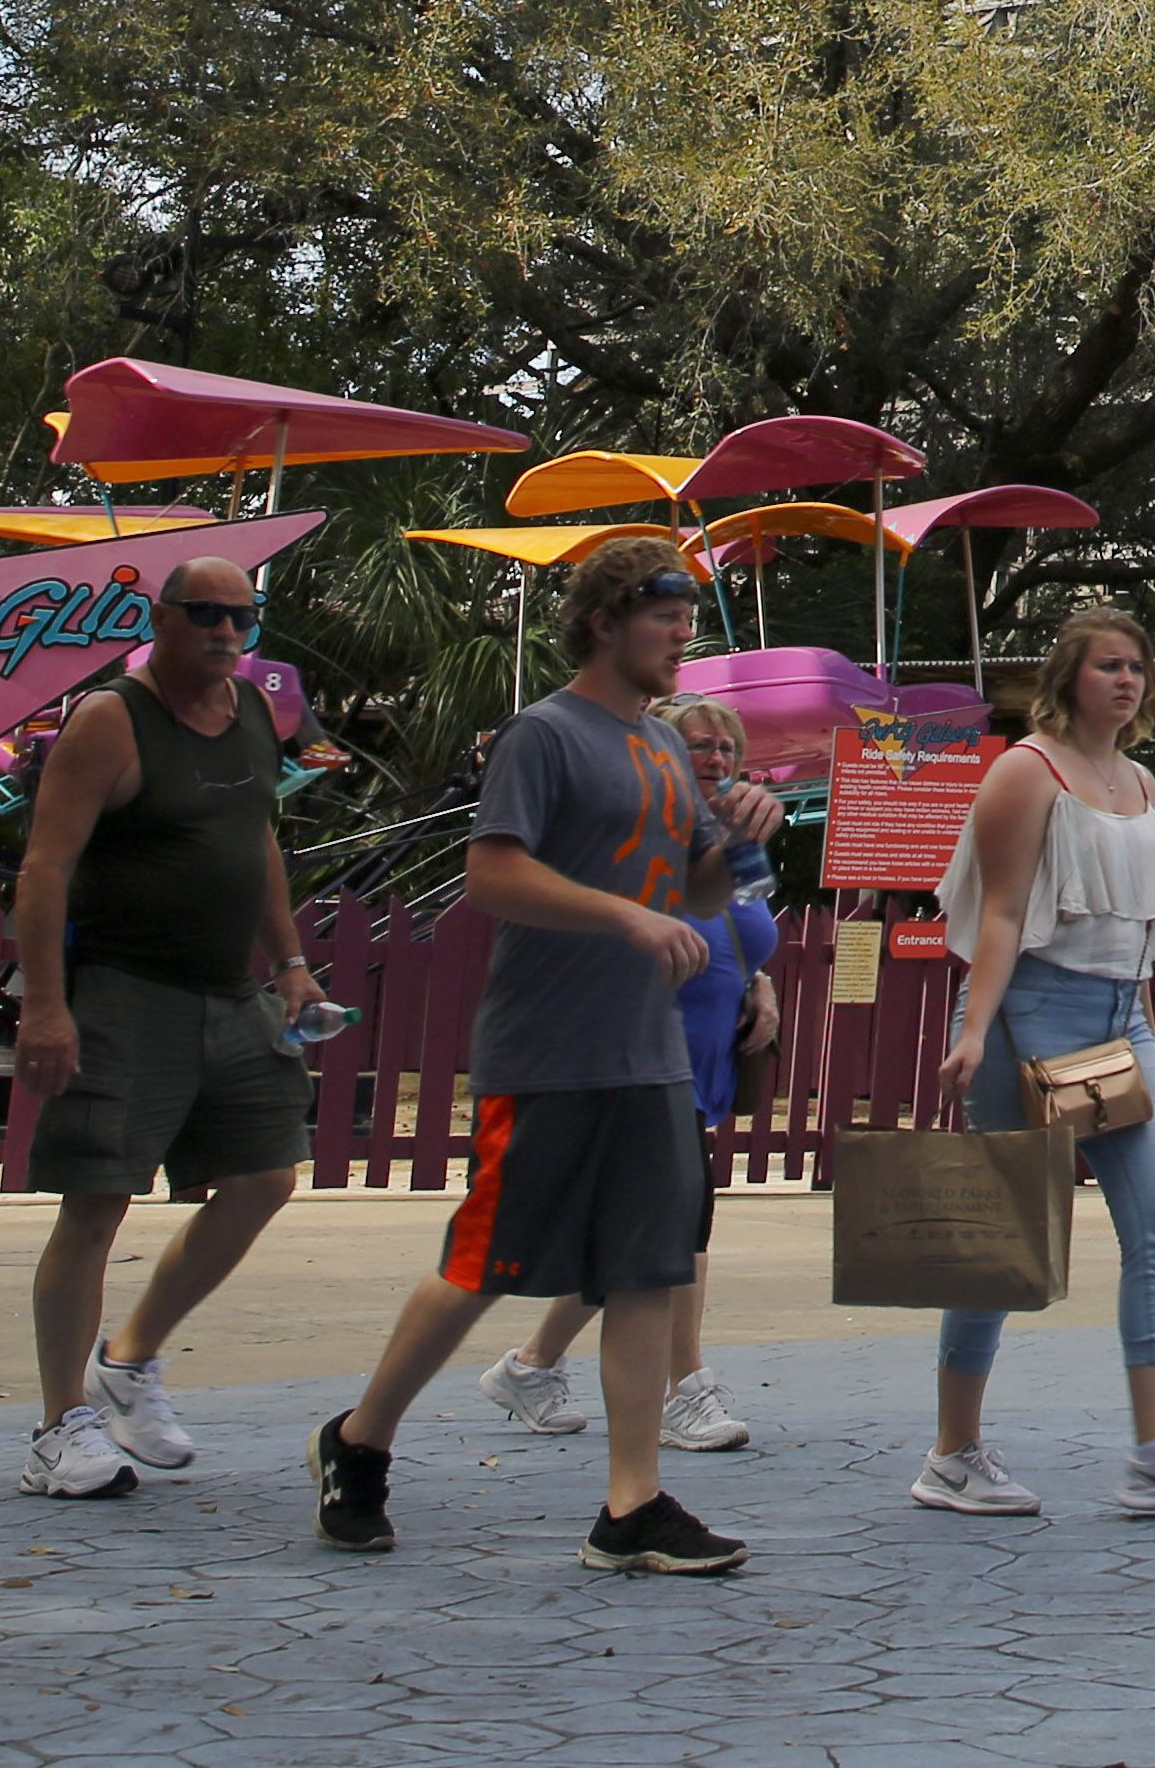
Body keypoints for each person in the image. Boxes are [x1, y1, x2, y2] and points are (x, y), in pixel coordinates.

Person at [315, 536, 778, 1574]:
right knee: (483, 1262)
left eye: (687, 615)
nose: (681, 632)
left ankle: (632, 1503)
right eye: (665, 612)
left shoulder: (664, 747)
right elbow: (491, 876)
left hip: (648, 1050)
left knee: (648, 1270)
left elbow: (699, 893)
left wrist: (741, 833)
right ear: (606, 619)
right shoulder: (545, 732)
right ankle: (359, 1439)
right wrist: (622, 914)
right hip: (547, 1048)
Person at [909, 607, 1155, 1521]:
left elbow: (1139, 925)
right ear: (1068, 677)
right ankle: (953, 1452)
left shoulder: (1139, 780)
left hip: (1119, 1015)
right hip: (1033, 1008)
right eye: (1109, 665)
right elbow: (1001, 913)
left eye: (1138, 666)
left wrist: (1149, 1021)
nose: (1127, 680)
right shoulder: (1027, 772)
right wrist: (976, 1029)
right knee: (1009, 1241)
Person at [9, 554, 329, 1500]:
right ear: (162, 617)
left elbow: (258, 842)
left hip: (232, 994)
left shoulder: (253, 717)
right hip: (124, 992)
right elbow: (44, 870)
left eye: (245, 616)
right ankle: (58, 1427)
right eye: (206, 614)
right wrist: (47, 1004)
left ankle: (132, 1356)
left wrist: (293, 964)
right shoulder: (113, 720)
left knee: (265, 1176)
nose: (227, 633)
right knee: (98, 1203)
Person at [481, 693, 780, 1452]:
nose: (715, 759)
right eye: (699, 746)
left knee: (634, 1240)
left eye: (726, 748)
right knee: (678, 1227)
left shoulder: (725, 836)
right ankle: (686, 1388)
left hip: (705, 1056)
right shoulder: (654, 828)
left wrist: (760, 985)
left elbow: (736, 922)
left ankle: (532, 1364)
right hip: (645, 1052)